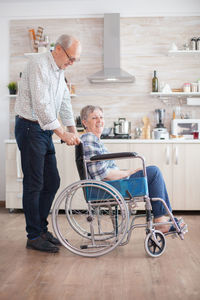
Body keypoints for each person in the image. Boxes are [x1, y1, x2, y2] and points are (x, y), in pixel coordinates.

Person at [15, 34, 81, 253]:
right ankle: (33, 235)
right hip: (29, 127)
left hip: (43, 130)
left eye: (75, 60)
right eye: (71, 58)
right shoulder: (38, 65)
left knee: (52, 181)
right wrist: (62, 134)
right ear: (59, 49)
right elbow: (42, 106)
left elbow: (63, 101)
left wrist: (72, 130)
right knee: (34, 184)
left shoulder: (59, 71)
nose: (72, 63)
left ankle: (41, 230)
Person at [80, 105, 184, 233]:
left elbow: (104, 171)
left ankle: (162, 219)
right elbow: (104, 175)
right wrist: (128, 172)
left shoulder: (94, 140)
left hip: (110, 186)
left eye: (101, 117)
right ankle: (161, 221)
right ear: (84, 122)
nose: (99, 121)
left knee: (150, 173)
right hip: (108, 188)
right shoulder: (89, 138)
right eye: (94, 118)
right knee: (153, 172)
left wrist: (126, 173)